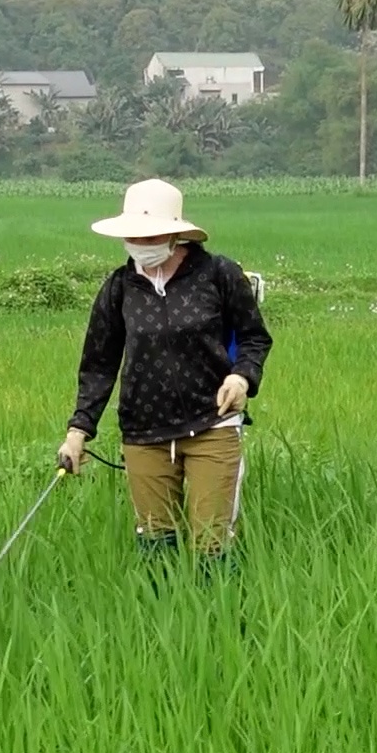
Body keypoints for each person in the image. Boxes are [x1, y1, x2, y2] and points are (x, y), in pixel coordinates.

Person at [59, 179, 273, 577]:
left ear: (175, 233)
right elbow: (98, 364)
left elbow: (253, 338)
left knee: (212, 542)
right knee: (155, 542)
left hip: (212, 422)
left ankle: (219, 623)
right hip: (144, 431)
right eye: (134, 237)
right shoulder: (119, 288)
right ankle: (161, 622)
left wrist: (242, 379)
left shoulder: (217, 274)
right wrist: (78, 431)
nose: (142, 244)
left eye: (151, 234)